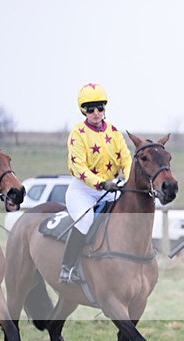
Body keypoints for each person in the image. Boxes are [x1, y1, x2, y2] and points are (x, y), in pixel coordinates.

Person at [61, 83, 131, 283]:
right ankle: (67, 268)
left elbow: (126, 159)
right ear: (83, 110)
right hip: (83, 190)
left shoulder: (115, 131)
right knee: (85, 221)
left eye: (100, 107)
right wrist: (102, 183)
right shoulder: (77, 134)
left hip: (110, 188)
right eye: (90, 109)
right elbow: (79, 169)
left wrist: (128, 179)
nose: (96, 113)